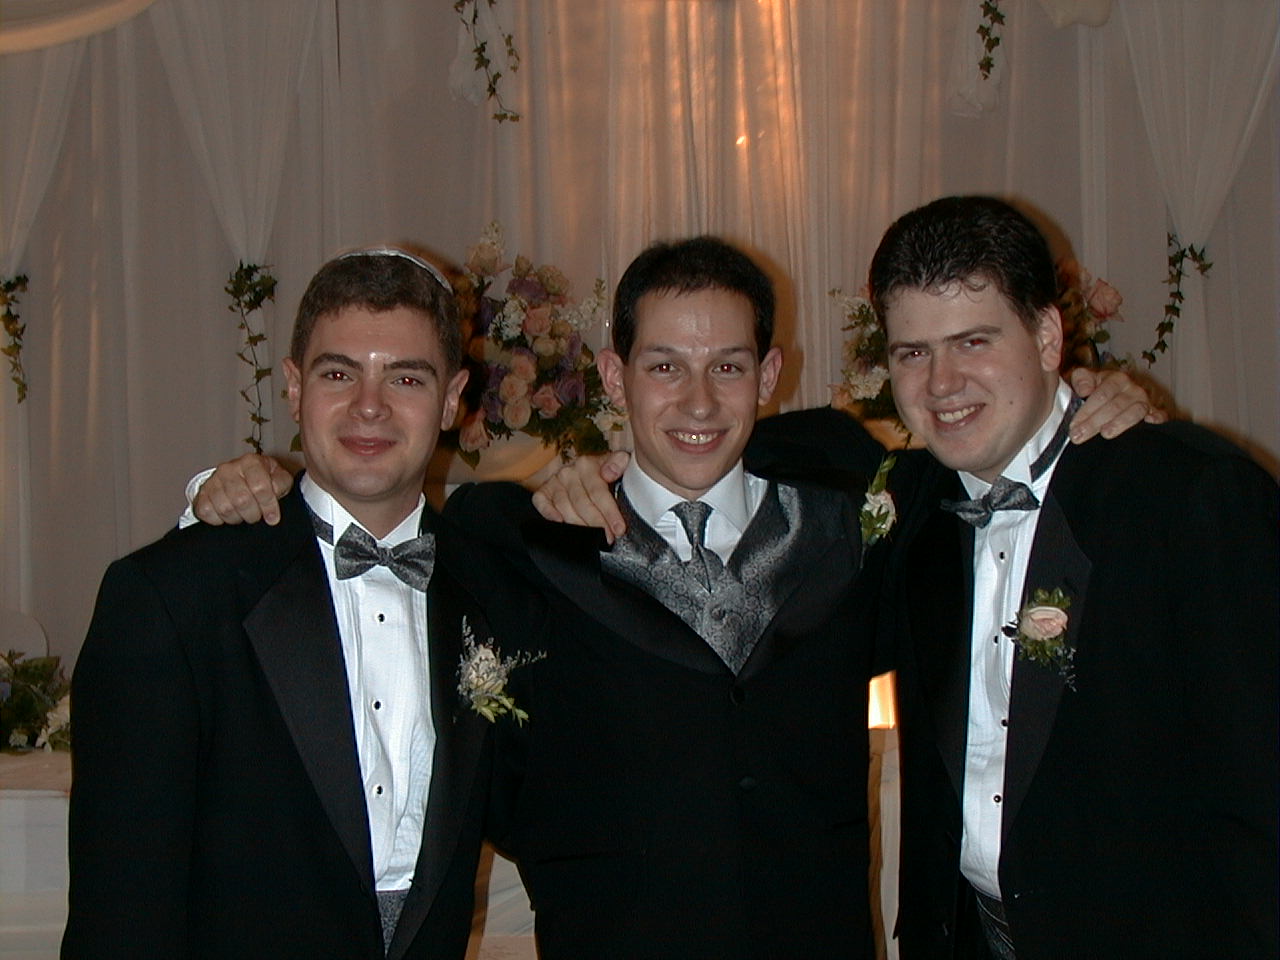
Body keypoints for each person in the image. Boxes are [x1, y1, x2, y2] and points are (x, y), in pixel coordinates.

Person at [186, 236, 1154, 958]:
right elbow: (365, 530)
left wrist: (1092, 405)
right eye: (663, 367)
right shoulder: (516, 541)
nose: (696, 402)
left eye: (726, 366)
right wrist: (226, 491)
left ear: (768, 375)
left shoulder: (855, 520)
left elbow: (990, 456)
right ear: (614, 376)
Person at [64, 250, 534, 959]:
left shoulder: (493, 588)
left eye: (406, 377)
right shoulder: (171, 596)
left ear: (452, 399)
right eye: (338, 374)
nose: (369, 405)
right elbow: (119, 914)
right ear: (293, 387)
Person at [864, 196, 1279, 959]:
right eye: (912, 353)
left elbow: (1262, 788)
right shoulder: (913, 503)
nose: (942, 383)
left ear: (1049, 337)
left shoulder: (1188, 496)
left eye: (973, 341)